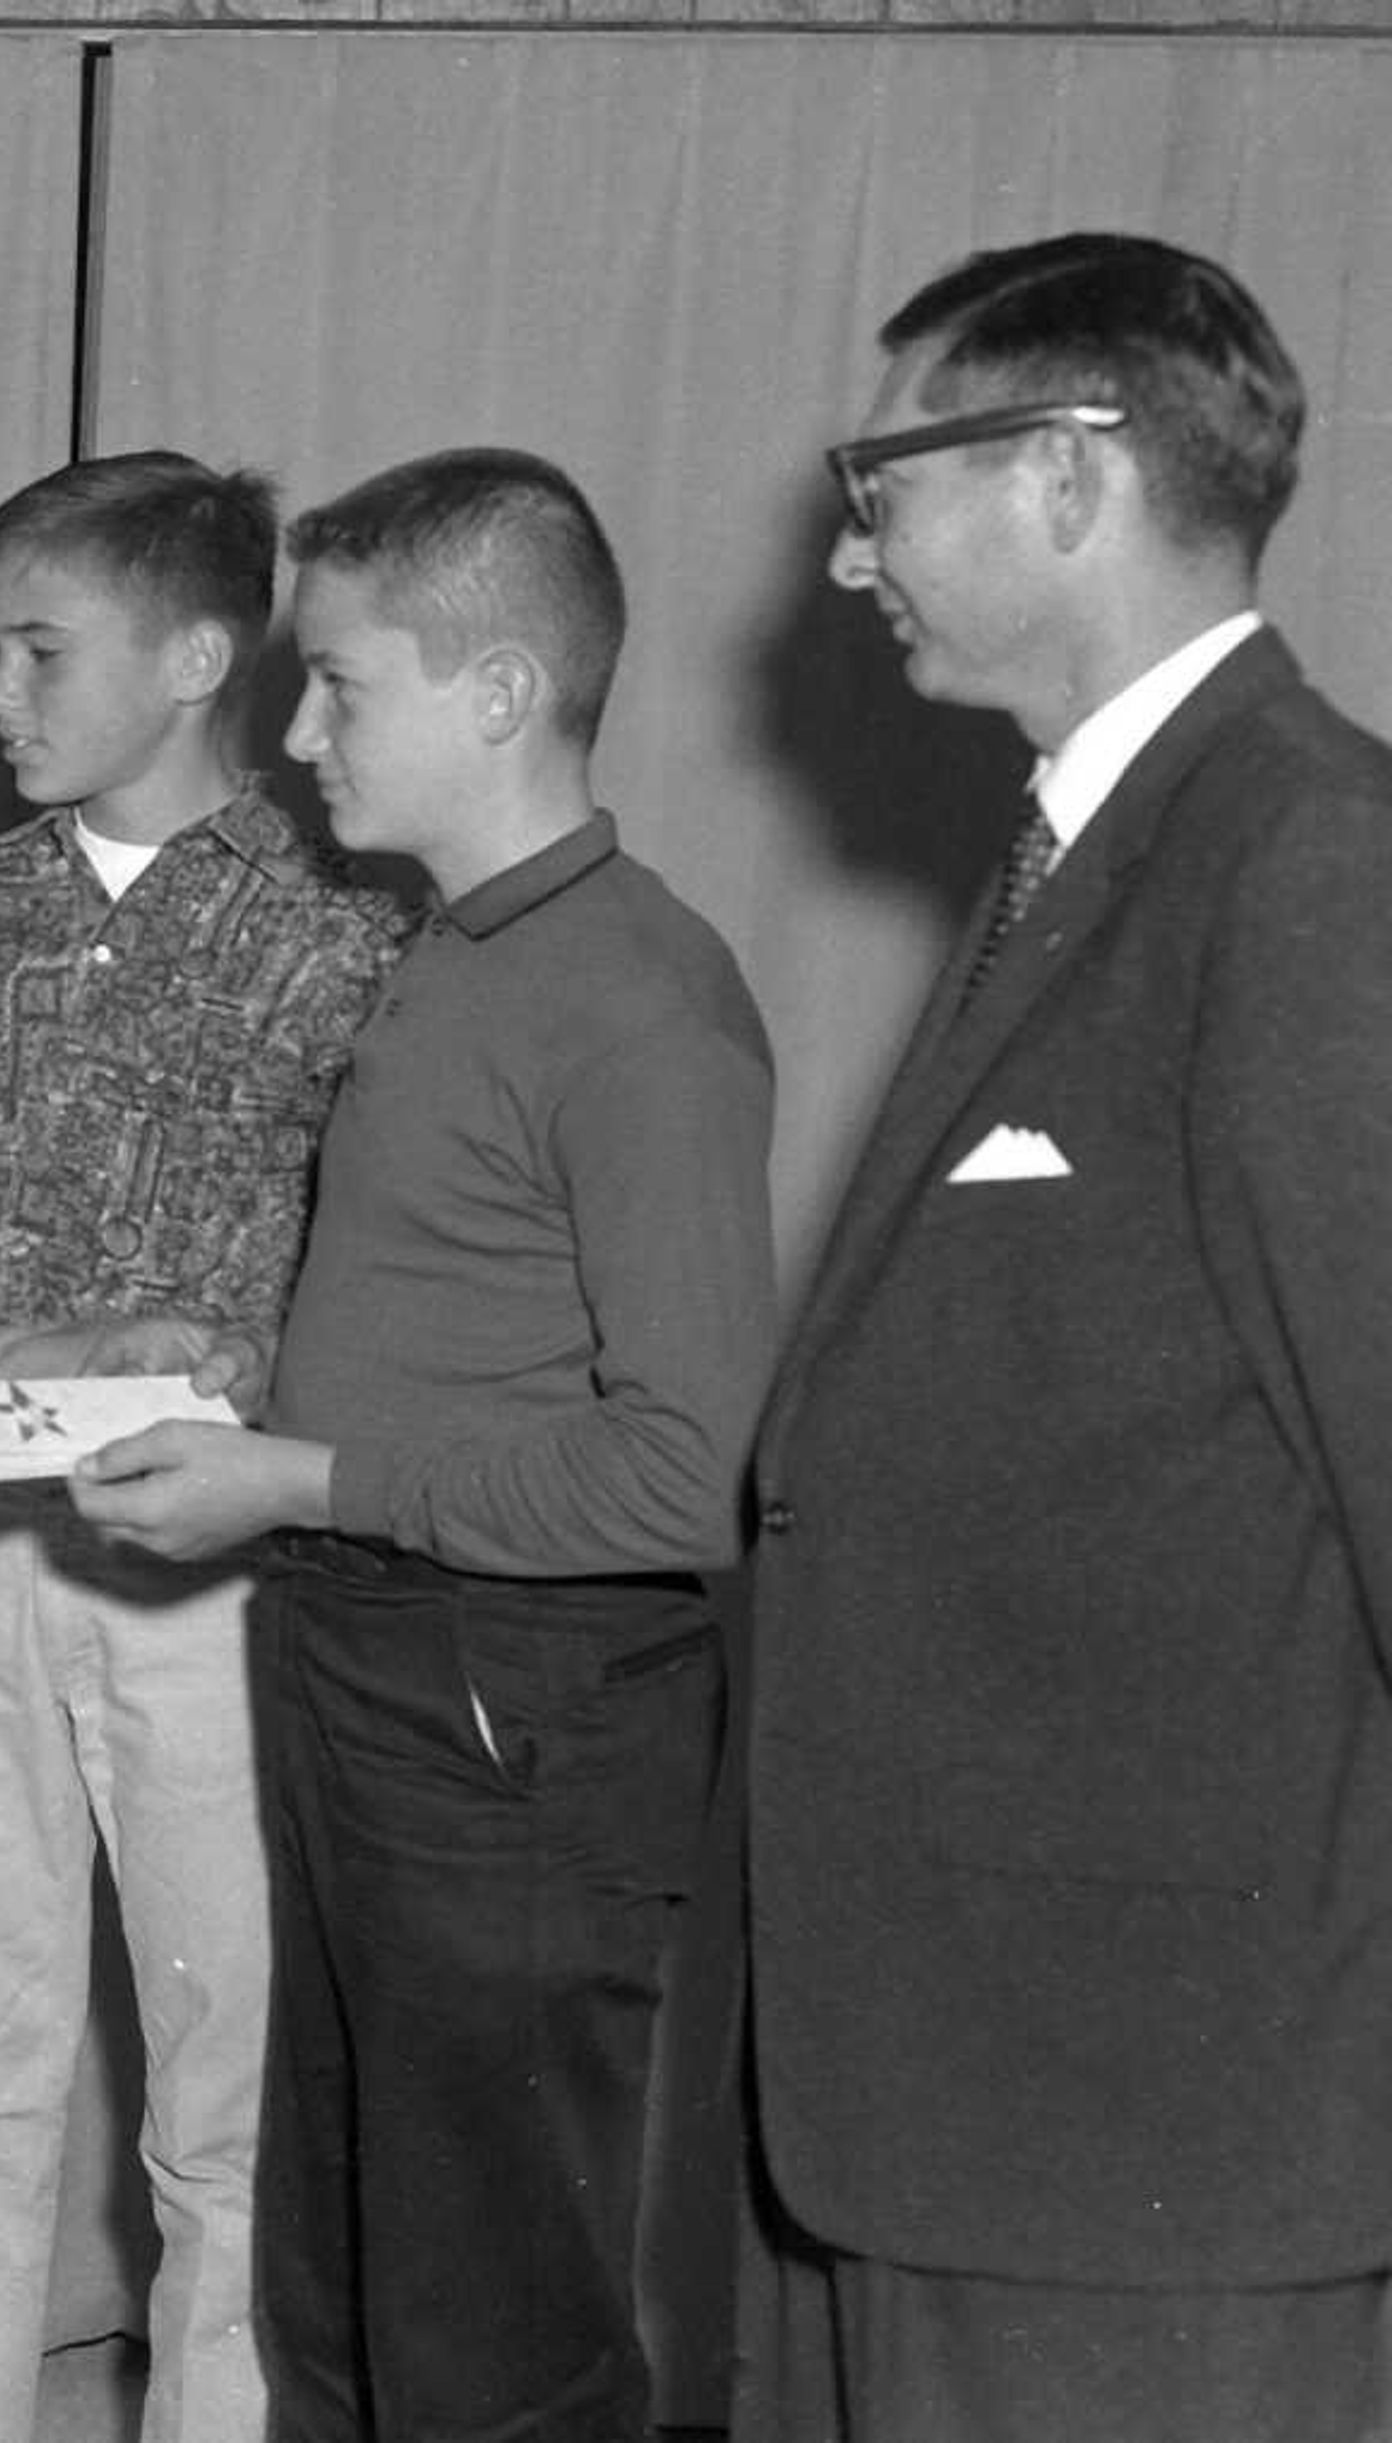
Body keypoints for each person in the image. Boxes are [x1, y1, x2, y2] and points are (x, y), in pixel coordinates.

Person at [737, 233, 1392, 2443]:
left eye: (885, 478)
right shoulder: (1084, 846)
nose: (849, 552)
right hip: (970, 2071)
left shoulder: (1311, 864)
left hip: (1165, 2112)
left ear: (1073, 472)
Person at [68, 449, 776, 2443]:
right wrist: (221, 1357)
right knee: (347, 2285)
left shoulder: (644, 1005)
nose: (297, 737)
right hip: (374, 1673)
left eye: (342, 687)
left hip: (519, 1712)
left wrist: (293, 1480)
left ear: (498, 694)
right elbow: (467, 1330)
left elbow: (684, 1471)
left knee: (493, 2330)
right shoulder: (448, 950)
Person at [0, 454, 402, 2443]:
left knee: (225, 2111)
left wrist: (186, 1342)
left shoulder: (343, 935)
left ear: (198, 656)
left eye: (41, 652)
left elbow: (364, 1292)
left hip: (202, 1589)